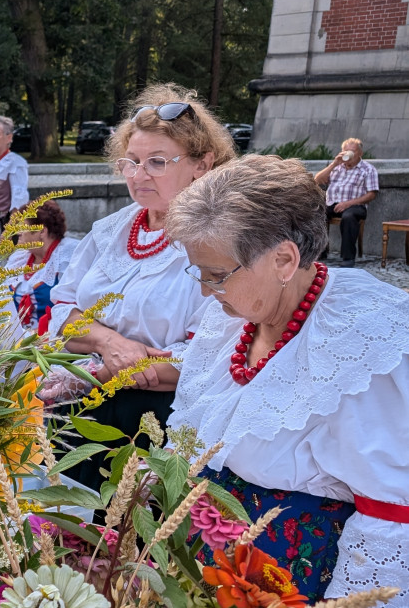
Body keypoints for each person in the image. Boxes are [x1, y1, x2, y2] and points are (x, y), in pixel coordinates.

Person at [167, 154, 409, 603]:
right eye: (199, 271)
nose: (204, 288)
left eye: (216, 275)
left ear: (284, 259)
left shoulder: (364, 339)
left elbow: (392, 512)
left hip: (293, 579)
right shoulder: (234, 313)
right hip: (206, 556)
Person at [48, 83, 235, 491]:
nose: (138, 175)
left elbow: (214, 355)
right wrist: (110, 343)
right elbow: (61, 310)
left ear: (202, 165)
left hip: (158, 422)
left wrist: (128, 369)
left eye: (156, 162)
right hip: (79, 408)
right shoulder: (110, 231)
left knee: (128, 542)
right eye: (130, 162)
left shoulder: (218, 244)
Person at [4, 201, 78, 336]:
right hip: (17, 341)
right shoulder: (19, 259)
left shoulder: (68, 256)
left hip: (57, 342)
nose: (18, 232)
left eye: (23, 226)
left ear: (42, 231)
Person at [313, 137, 378, 267]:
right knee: (316, 212)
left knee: (349, 217)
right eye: (345, 151)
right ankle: (319, 250)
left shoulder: (368, 169)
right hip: (332, 203)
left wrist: (348, 204)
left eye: (352, 151)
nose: (348, 154)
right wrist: (333, 164)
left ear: (360, 153)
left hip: (355, 205)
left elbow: (372, 194)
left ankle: (348, 258)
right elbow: (317, 180)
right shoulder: (337, 167)